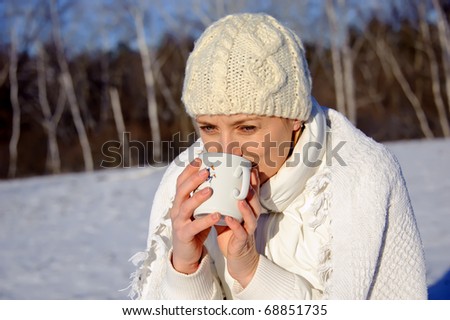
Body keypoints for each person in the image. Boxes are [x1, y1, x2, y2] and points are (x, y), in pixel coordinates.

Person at [129, 13, 427, 299]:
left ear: (295, 118)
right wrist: (185, 266)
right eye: (208, 127)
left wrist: (251, 270)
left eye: (246, 128)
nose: (226, 150)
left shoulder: (361, 178)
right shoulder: (186, 183)